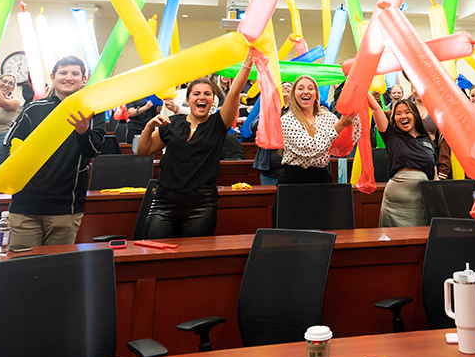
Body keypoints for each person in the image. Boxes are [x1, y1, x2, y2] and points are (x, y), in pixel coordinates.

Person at [137, 57, 253, 238]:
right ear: (188, 99)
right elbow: (142, 150)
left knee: (192, 260)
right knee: (156, 256)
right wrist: (149, 126)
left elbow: (235, 92)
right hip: (164, 202)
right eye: (196, 93)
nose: (202, 97)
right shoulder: (171, 123)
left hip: (202, 205)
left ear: (213, 100)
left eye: (207, 94)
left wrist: (248, 60)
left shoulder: (218, 124)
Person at [4, 56, 104, 249]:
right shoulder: (34, 108)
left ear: (84, 79)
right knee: (21, 267)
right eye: (63, 73)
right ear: (53, 76)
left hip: (66, 206)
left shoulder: (93, 110)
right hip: (25, 204)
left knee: (56, 270)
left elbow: (94, 151)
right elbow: (10, 146)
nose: (69, 77)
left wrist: (83, 131)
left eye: (75, 73)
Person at [279, 75, 359, 184]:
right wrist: (339, 125)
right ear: (294, 95)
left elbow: (349, 140)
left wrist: (354, 113)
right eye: (301, 88)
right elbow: (310, 149)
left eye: (310, 88)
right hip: (294, 180)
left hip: (321, 177)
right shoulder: (287, 120)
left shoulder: (327, 117)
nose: (306, 92)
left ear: (316, 95)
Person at [371, 94, 436, 227]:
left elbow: (434, 176)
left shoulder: (427, 140)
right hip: (395, 204)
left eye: (407, 112)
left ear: (415, 115)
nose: (403, 116)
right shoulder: (391, 136)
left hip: (422, 201)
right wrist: (356, 79)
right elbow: (376, 109)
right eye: (398, 113)